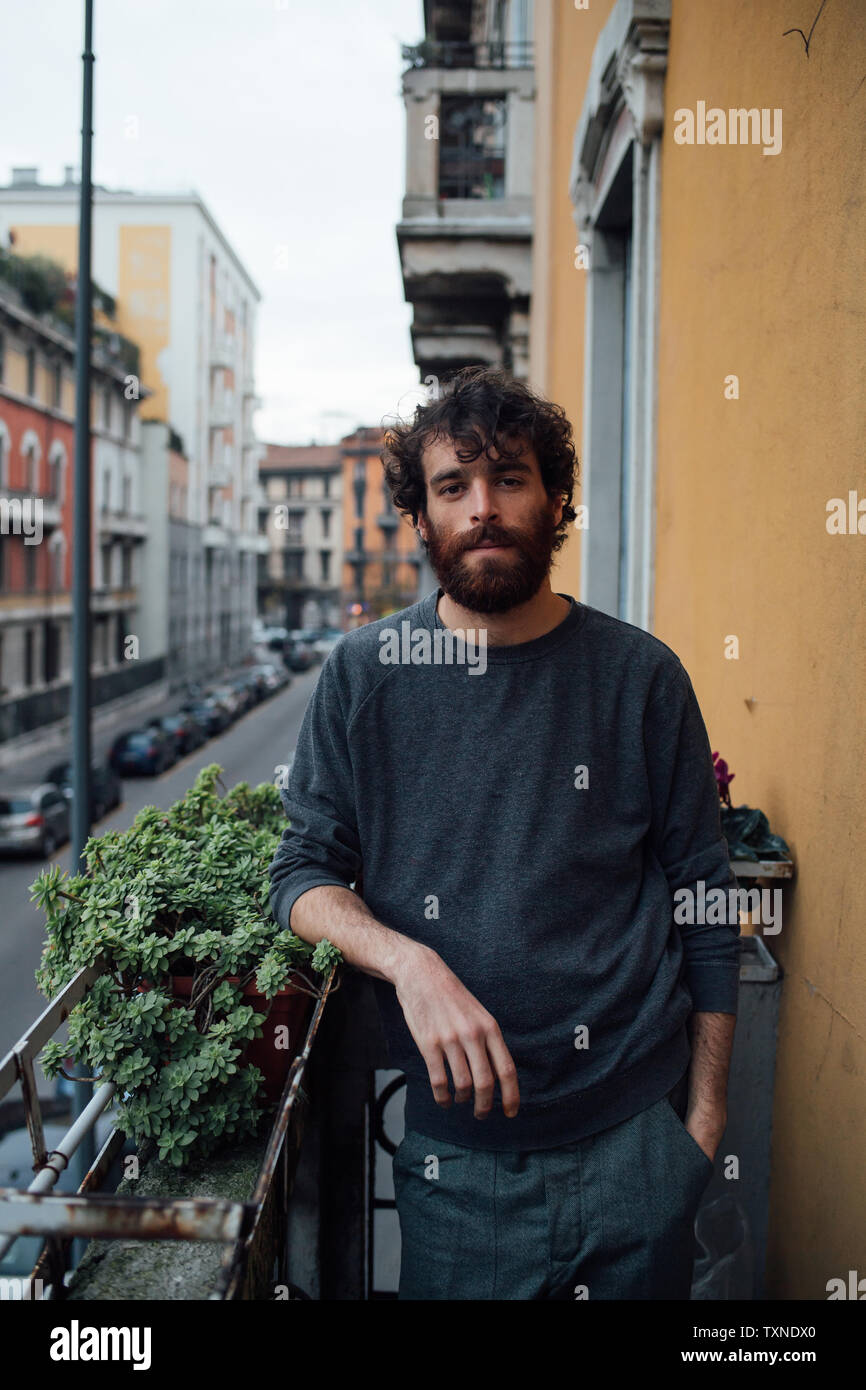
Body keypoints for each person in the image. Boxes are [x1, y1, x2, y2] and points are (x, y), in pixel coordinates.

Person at [268, 366, 739, 1300]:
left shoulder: (641, 676)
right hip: (459, 1169)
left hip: (641, 1146)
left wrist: (705, 1123)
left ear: (555, 500)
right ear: (421, 519)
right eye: (453, 487)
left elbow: (704, 894)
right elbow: (303, 877)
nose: (483, 508)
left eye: (511, 479)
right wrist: (408, 961)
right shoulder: (365, 677)